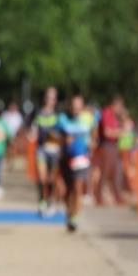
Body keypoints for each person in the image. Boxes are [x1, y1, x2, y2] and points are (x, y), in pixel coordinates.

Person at [58, 94, 92, 232]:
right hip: (66, 157)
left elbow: (92, 133)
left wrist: (92, 142)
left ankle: (74, 218)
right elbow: (60, 134)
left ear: (82, 107)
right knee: (67, 190)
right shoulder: (63, 119)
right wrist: (63, 140)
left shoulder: (87, 119)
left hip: (81, 158)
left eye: (78, 106)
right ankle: (69, 212)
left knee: (77, 189)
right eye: (73, 106)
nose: (75, 109)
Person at [29, 87, 62, 216]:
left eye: (53, 98)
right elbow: (32, 131)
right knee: (42, 178)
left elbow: (63, 132)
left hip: (54, 150)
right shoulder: (38, 113)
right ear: (44, 98)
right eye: (48, 97)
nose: (50, 100)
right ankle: (42, 201)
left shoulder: (59, 114)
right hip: (42, 149)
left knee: (51, 179)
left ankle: (51, 201)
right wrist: (32, 135)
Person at [94, 96, 125, 205]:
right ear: (115, 105)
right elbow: (107, 132)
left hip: (113, 146)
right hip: (107, 146)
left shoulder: (115, 116)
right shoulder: (107, 113)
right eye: (120, 107)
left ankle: (117, 196)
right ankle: (99, 197)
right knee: (105, 172)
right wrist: (121, 132)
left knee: (117, 171)